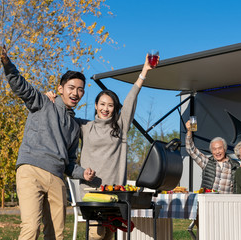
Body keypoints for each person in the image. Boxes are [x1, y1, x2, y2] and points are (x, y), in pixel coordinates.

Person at [46, 54, 157, 239]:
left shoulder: (120, 127)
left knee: (108, 235)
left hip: (115, 193)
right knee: (96, 234)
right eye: (102, 104)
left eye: (111, 105)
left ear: (115, 109)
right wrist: (52, 99)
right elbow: (63, 116)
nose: (106, 108)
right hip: (92, 193)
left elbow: (130, 100)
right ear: (96, 106)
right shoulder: (84, 126)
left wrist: (144, 72)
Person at [1, 47, 96, 240]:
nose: (75, 93)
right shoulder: (44, 102)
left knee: (56, 234)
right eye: (71, 87)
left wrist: (82, 173)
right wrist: (6, 62)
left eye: (80, 90)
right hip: (31, 170)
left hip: (56, 178)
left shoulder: (75, 127)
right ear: (61, 89)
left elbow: (69, 162)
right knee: (31, 227)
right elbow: (20, 86)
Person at [185, 120, 240, 194]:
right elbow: (191, 150)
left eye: (220, 148)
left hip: (227, 203)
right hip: (209, 201)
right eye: (214, 149)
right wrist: (189, 131)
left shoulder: (235, 165)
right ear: (211, 151)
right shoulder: (207, 162)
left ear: (225, 148)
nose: (217, 152)